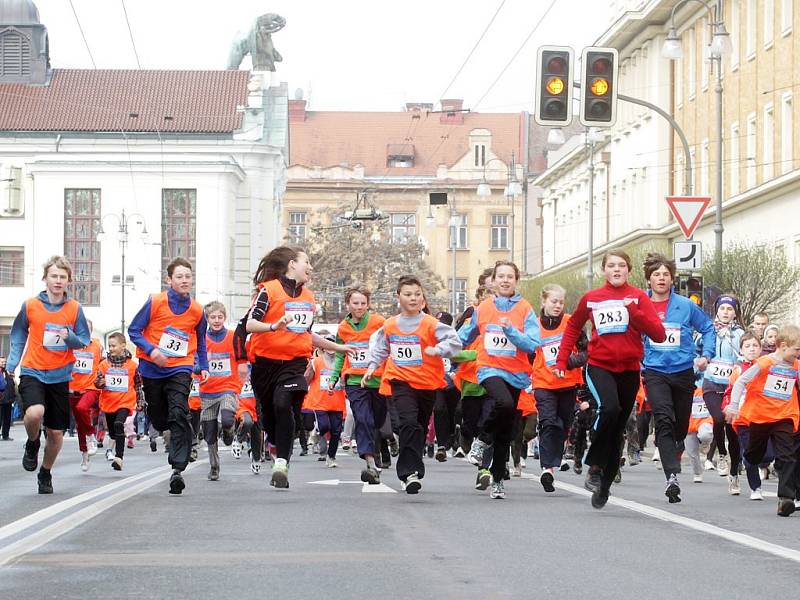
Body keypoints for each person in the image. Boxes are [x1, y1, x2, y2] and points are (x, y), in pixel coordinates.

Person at [554, 249, 665, 509]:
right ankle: (593, 465)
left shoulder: (638, 298)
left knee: (618, 430)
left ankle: (603, 486)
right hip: (599, 366)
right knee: (610, 408)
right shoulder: (592, 298)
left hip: (628, 369)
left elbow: (658, 334)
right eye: (611, 266)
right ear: (604, 270)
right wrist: (562, 360)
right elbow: (573, 327)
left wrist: (635, 315)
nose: (617, 270)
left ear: (629, 270)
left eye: (622, 266)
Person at [245, 246, 354, 489]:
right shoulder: (268, 291)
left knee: (284, 404)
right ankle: (274, 443)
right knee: (269, 417)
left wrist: (338, 348)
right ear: (292, 264)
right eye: (307, 262)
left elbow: (307, 334)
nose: (311, 267)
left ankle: (282, 463)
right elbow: (251, 324)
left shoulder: (309, 297)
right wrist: (274, 326)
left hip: (294, 362)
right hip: (265, 363)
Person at [362, 275, 461, 494]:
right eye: (408, 294)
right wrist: (371, 367)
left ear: (423, 299)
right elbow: (380, 348)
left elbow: (455, 343)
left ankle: (414, 465)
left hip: (426, 384)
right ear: (399, 297)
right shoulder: (390, 325)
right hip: (401, 380)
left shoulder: (431, 324)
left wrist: (438, 350)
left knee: (419, 427)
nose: (413, 298)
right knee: (407, 423)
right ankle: (409, 473)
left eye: (417, 294)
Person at [7, 256, 91, 494]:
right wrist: (12, 363)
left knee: (55, 432)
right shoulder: (31, 305)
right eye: (54, 276)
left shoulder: (75, 309)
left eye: (62, 277)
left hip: (60, 375)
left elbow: (83, 340)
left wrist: (69, 337)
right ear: (45, 278)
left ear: (68, 281)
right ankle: (33, 443)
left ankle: (45, 472)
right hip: (33, 369)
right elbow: (18, 334)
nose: (58, 281)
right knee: (35, 412)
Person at [458, 261, 541, 499]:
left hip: (515, 374)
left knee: (506, 429)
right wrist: (444, 346)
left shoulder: (525, 309)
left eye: (510, 277)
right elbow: (465, 335)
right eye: (501, 276)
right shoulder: (484, 307)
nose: (505, 280)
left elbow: (533, 343)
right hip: (489, 368)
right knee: (503, 403)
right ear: (494, 280)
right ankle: (481, 441)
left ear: (516, 280)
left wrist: (511, 331)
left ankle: (497, 480)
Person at [128, 257, 209, 495]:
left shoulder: (197, 309)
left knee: (178, 411)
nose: (185, 281)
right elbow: (134, 330)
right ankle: (164, 428)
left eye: (188, 276)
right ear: (169, 280)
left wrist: (202, 365)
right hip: (152, 368)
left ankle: (177, 469)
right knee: (161, 418)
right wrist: (152, 350)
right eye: (179, 277)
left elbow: (201, 340)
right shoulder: (155, 302)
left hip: (180, 367)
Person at [640, 253, 716, 503]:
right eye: (656, 275)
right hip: (654, 372)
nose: (661, 278)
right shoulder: (641, 306)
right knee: (663, 419)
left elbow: (707, 328)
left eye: (665, 274)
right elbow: (632, 335)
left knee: (680, 426)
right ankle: (671, 476)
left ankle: (673, 449)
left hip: (683, 372)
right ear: (649, 280)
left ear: (672, 279)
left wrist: (706, 354)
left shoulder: (686, 305)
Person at [725, 324, 800, 517]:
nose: (798, 354)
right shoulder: (765, 363)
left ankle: (786, 499)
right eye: (797, 350)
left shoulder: (796, 365)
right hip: (760, 416)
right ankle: (748, 459)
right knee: (755, 454)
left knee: (788, 455)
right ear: (783, 345)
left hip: (785, 415)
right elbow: (741, 381)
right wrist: (733, 406)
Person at [532, 283, 586, 493]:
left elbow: (586, 352)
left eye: (561, 302)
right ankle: (547, 468)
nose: (557, 305)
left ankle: (553, 461)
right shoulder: (534, 326)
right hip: (543, 383)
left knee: (563, 425)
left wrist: (568, 362)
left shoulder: (572, 323)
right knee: (548, 422)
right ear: (544, 302)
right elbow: (529, 354)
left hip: (567, 383)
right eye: (553, 301)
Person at [329, 285, 387, 483]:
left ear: (368, 304)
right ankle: (370, 462)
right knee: (363, 419)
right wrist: (334, 376)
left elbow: (389, 344)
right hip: (354, 381)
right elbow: (339, 354)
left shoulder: (379, 322)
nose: (360, 306)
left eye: (363, 303)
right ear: (348, 304)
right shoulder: (343, 328)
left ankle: (376, 450)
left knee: (376, 421)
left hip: (377, 379)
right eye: (355, 303)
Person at [199, 301, 246, 481]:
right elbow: (195, 361)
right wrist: (198, 367)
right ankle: (214, 466)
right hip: (208, 390)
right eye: (213, 317)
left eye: (220, 317)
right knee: (210, 434)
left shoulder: (234, 337)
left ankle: (229, 430)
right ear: (207, 319)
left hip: (229, 387)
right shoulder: (201, 339)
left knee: (227, 419)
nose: (217, 320)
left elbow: (244, 358)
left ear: (224, 318)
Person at [701, 294, 745, 477]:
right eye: (722, 308)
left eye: (729, 309)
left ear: (735, 313)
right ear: (716, 310)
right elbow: (698, 349)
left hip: (731, 386)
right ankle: (721, 453)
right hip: (711, 382)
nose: (725, 312)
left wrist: (740, 364)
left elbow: (745, 355)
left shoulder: (740, 334)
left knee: (730, 427)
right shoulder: (708, 329)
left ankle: (734, 469)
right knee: (718, 418)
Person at [722, 333, 763, 496]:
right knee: (748, 451)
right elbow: (729, 391)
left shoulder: (766, 365)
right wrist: (728, 407)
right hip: (743, 418)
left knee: (767, 453)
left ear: (760, 348)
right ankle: (756, 487)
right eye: (747, 346)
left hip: (764, 416)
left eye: (755, 346)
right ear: (741, 350)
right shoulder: (738, 369)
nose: (752, 349)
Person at [95, 332, 141, 471]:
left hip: (125, 402)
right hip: (109, 402)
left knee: (118, 423)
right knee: (113, 432)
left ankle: (119, 457)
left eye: (114, 346)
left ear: (123, 346)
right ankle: (117, 444)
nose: (111, 348)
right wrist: (100, 383)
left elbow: (138, 385)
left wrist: (140, 402)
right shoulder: (103, 365)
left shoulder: (132, 365)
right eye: (109, 346)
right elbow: (97, 382)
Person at [305, 332, 346, 468]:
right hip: (320, 402)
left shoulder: (343, 363)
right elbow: (306, 379)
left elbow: (347, 379)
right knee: (324, 426)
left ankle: (331, 456)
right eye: (326, 343)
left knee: (336, 431)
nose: (330, 346)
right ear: (322, 347)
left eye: (332, 343)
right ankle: (316, 431)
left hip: (337, 403)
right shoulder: (316, 362)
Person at [68, 320, 104, 471]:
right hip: (72, 388)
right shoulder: (70, 345)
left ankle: (91, 435)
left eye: (86, 329)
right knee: (79, 424)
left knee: (83, 408)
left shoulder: (97, 346)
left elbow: (103, 363)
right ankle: (84, 454)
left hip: (90, 387)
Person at [0, 357, 16, 441]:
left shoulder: (8, 373)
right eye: (2, 362)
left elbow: (12, 386)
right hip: (1, 400)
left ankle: (5, 435)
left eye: (5, 362)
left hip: (8, 400)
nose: (4, 363)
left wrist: (13, 397)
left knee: (7, 419)